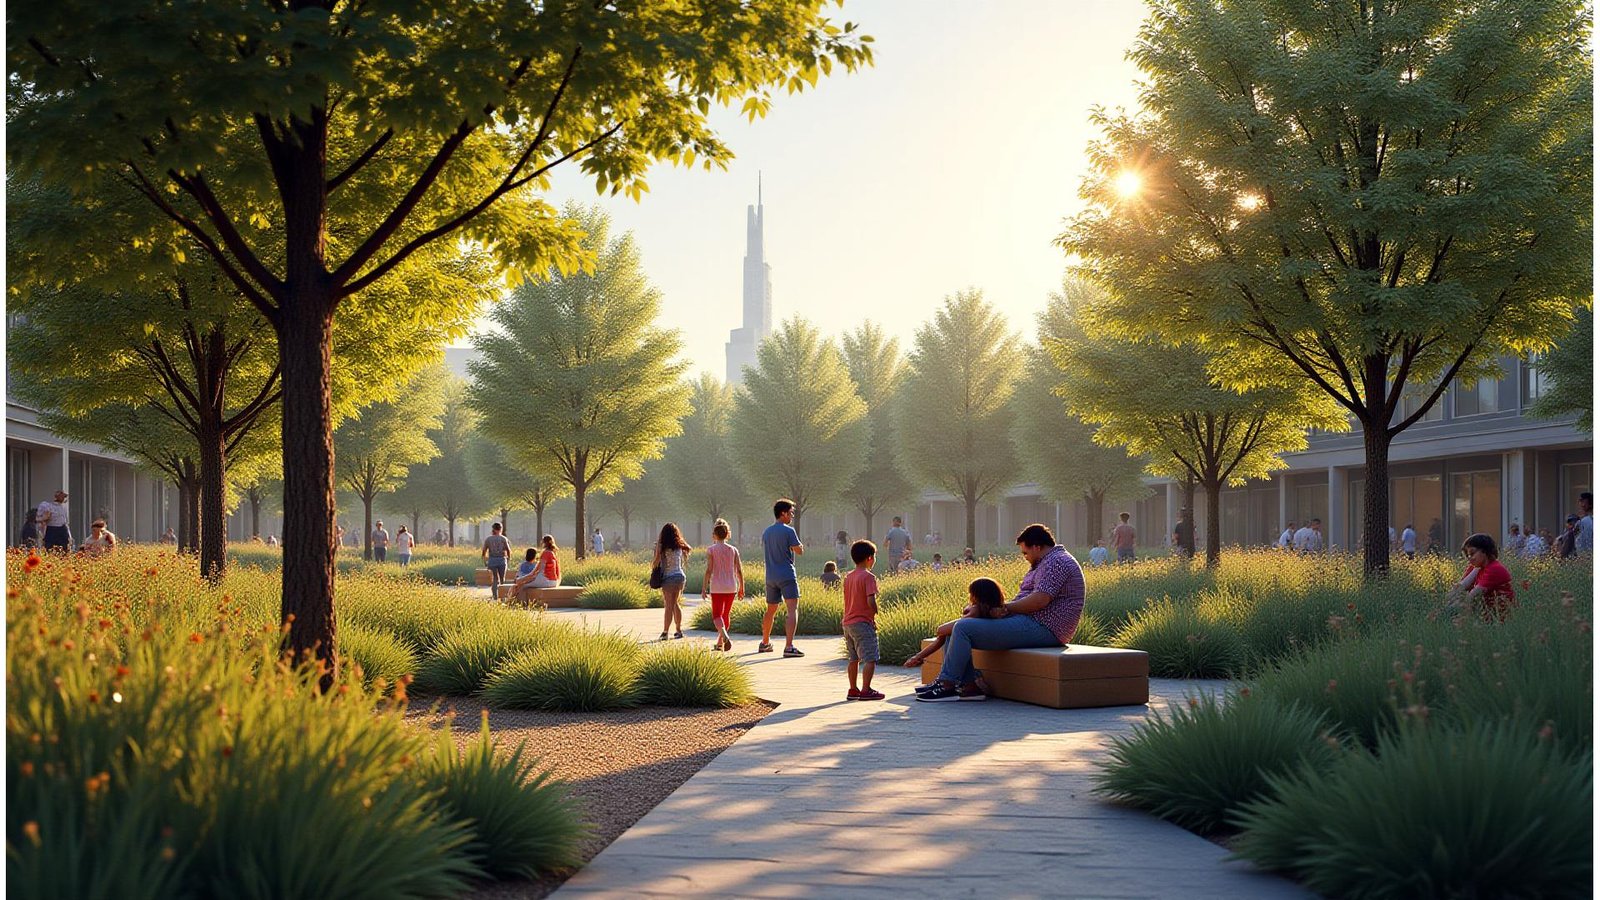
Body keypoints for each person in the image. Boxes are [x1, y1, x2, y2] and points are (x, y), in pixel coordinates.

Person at [917, 524, 1084, 703]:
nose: (1025, 557)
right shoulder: (1045, 562)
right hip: (1030, 621)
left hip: (1045, 627)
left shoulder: (1056, 562)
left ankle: (947, 684)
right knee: (956, 629)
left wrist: (1002, 608)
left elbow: (1039, 601)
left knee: (963, 628)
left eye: (1026, 553)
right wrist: (994, 610)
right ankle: (970, 686)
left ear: (1037, 547)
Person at [904, 576, 1008, 676]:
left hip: (983, 642)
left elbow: (941, 631)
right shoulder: (1000, 610)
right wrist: (918, 656)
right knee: (951, 635)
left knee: (951, 634)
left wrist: (918, 656)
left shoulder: (975, 611)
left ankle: (961, 679)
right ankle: (970, 680)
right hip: (996, 639)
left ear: (976, 596)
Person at [760, 499, 805, 657]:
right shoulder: (789, 531)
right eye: (790, 512)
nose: (792, 516)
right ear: (783, 513)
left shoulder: (767, 532)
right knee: (792, 609)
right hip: (786, 574)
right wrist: (799, 546)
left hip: (771, 576)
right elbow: (799, 550)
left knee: (770, 610)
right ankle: (789, 646)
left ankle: (765, 643)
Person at [841, 539, 884, 701]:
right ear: (869, 558)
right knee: (870, 658)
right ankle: (866, 690)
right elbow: (870, 600)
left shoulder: (849, 577)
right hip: (862, 622)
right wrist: (875, 613)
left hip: (848, 622)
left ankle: (853, 689)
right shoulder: (868, 577)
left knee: (853, 658)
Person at [1447, 533, 1515, 622]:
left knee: (1450, 613)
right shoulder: (1476, 567)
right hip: (1484, 615)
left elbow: (1473, 596)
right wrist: (1476, 570)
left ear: (1484, 551)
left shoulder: (1495, 568)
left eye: (1472, 553)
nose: (1469, 558)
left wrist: (1451, 607)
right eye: (1467, 555)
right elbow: (1458, 590)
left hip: (1499, 618)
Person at [703, 519, 743, 652]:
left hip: (717, 586)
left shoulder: (711, 550)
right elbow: (739, 570)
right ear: (727, 534)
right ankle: (720, 643)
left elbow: (709, 570)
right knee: (725, 614)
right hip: (731, 586)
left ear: (714, 535)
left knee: (716, 615)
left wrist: (704, 588)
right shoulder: (733, 550)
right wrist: (742, 587)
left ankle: (724, 636)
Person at [654, 523, 691, 641]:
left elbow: (656, 562)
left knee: (668, 605)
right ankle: (678, 630)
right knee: (675, 603)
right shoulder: (679, 546)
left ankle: (665, 632)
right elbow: (687, 550)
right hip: (680, 576)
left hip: (668, 578)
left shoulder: (662, 547)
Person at [512, 535, 562, 603]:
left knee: (521, 585)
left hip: (546, 581)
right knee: (522, 582)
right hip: (554, 582)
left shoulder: (545, 553)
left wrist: (521, 580)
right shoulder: (553, 553)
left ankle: (517, 603)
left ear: (543, 543)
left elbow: (537, 571)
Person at [481, 523, 511, 599]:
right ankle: (502, 596)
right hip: (501, 560)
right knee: (502, 579)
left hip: (492, 560)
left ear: (493, 529)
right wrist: (508, 559)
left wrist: (485, 561)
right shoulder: (503, 539)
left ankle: (495, 596)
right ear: (501, 529)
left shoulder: (488, 539)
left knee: (495, 579)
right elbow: (508, 550)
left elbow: (484, 551)